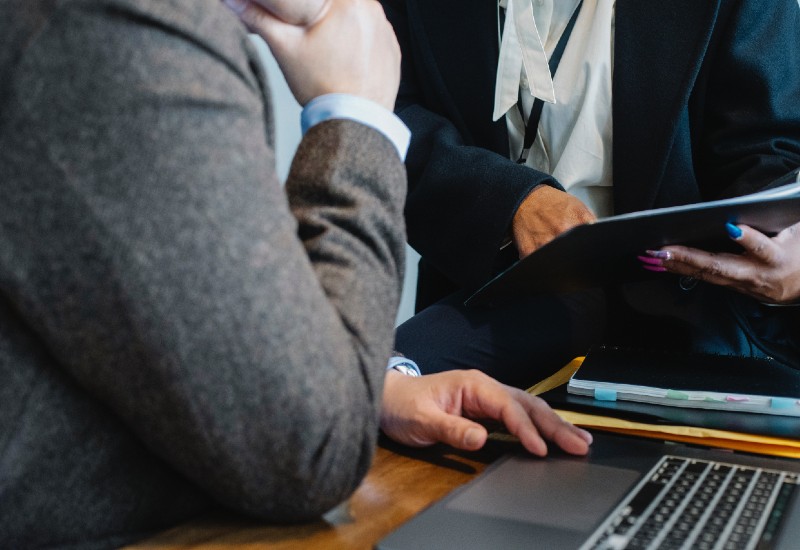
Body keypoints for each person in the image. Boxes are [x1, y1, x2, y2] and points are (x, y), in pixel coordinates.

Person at [0, 0, 592, 548]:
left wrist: (373, 392)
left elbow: (160, 305)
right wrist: (358, 118)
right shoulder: (119, 29)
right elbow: (307, 453)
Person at [382, 0, 800, 384]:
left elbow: (765, 152)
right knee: (374, 393)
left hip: (692, 308)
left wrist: (788, 247)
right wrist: (510, 201)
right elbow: (384, 115)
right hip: (494, 283)